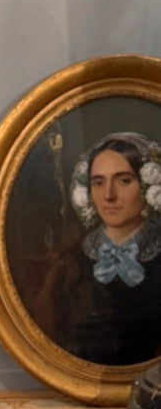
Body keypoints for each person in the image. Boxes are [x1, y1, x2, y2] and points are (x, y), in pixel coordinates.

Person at [30, 132, 161, 365]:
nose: (108, 195)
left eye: (123, 180)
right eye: (98, 182)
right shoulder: (71, 261)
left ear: (148, 185)